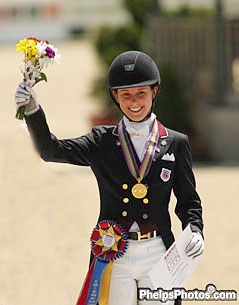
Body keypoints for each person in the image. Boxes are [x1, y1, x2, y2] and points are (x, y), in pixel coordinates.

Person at [14, 50, 204, 305]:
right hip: (114, 252)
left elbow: (189, 200)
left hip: (159, 252)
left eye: (141, 94)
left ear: (154, 92)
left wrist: (195, 229)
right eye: (126, 95)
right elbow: (51, 151)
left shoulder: (176, 143)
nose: (134, 102)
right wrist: (33, 112)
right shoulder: (101, 141)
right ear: (115, 96)